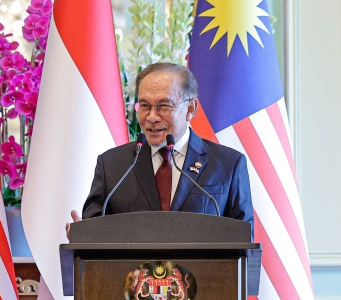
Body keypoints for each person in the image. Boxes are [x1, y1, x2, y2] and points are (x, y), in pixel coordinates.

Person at [78, 61, 253, 224]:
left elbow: (244, 242)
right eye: (145, 106)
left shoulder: (228, 165)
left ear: (190, 109)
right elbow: (93, 231)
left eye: (164, 106)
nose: (152, 117)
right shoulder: (112, 165)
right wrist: (82, 238)